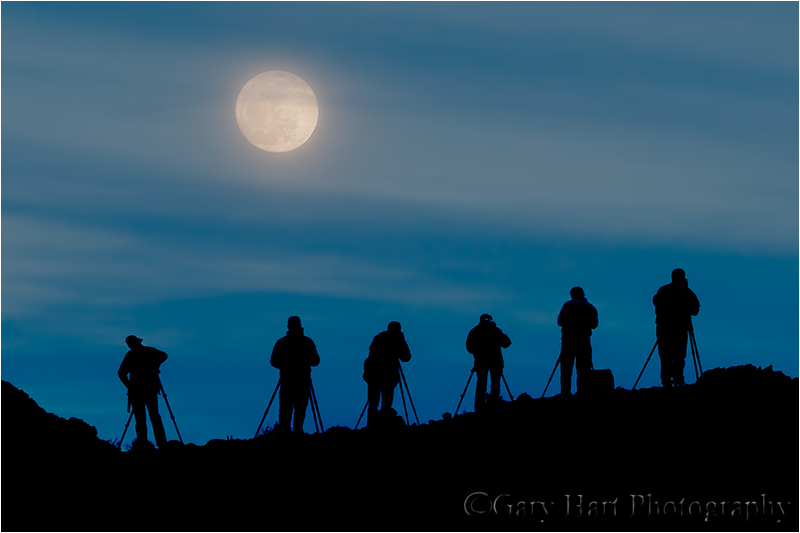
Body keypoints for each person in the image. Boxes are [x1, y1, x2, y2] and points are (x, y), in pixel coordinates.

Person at [270, 316, 320, 434]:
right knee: (298, 410)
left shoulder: (282, 342)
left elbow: (273, 361)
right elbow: (315, 361)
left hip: (290, 381)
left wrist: (285, 366)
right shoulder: (307, 342)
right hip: (300, 381)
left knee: (288, 410)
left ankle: (286, 434)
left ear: (288, 326)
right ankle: (295, 433)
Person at [117, 335, 168, 449]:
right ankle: (161, 444)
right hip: (148, 388)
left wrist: (130, 386)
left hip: (139, 390)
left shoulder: (132, 355)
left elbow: (121, 373)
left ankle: (143, 444)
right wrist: (154, 366)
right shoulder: (149, 351)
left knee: (142, 419)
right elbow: (164, 356)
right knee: (153, 417)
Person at [653, 268, 700, 387]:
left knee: (667, 356)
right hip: (677, 328)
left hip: (665, 329)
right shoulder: (686, 292)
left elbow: (656, 303)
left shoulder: (664, 290)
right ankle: (676, 380)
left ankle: (669, 381)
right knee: (675, 356)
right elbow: (695, 309)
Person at [363, 321, 412, 426]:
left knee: (374, 403)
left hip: (375, 375)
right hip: (385, 375)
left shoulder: (379, 337)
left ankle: (372, 426)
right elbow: (406, 357)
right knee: (383, 403)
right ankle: (381, 425)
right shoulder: (397, 337)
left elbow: (406, 357)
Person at [557, 287, 599, 396]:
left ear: (572, 295)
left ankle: (565, 393)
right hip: (584, 342)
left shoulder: (568, 305)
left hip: (568, 342)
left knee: (566, 369)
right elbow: (594, 325)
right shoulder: (591, 307)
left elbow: (560, 321)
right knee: (583, 369)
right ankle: (582, 393)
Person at [466, 314, 511, 411]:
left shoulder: (475, 331)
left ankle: (479, 408)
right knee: (495, 385)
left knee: (481, 386)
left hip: (481, 363)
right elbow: (507, 343)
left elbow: (469, 347)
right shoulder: (495, 330)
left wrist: (478, 352)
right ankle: (493, 407)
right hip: (495, 362)